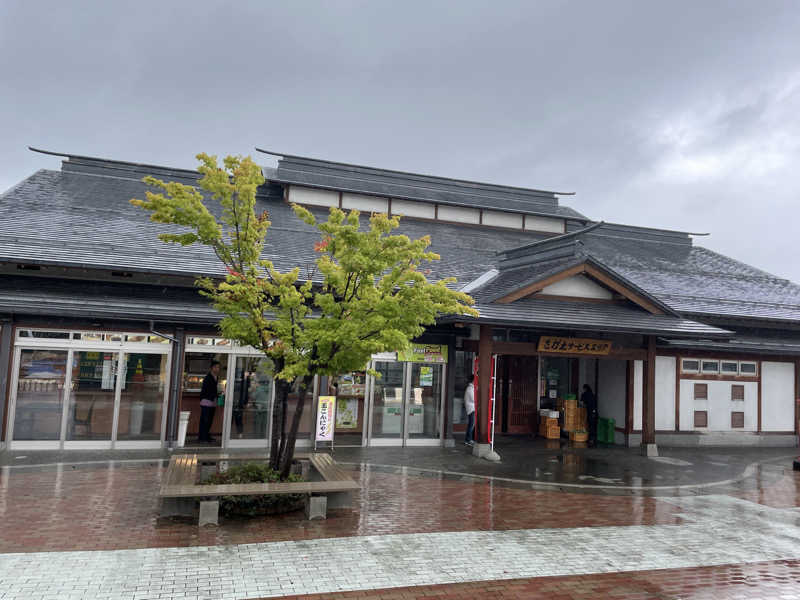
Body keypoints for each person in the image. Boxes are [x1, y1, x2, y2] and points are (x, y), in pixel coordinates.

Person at [198, 360, 221, 443]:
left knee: (209, 420)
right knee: (205, 420)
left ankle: (206, 436)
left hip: (212, 402)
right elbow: (207, 390)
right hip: (206, 401)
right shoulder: (208, 377)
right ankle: (202, 438)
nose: (218, 369)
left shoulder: (216, 377)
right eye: (216, 367)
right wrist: (216, 394)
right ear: (212, 368)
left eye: (219, 367)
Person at [464, 379, 475, 446]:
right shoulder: (470, 388)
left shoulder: (471, 388)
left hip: (472, 408)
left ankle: (469, 439)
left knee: (471, 425)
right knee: (471, 425)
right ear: (473, 381)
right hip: (471, 409)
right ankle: (468, 440)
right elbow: (473, 399)